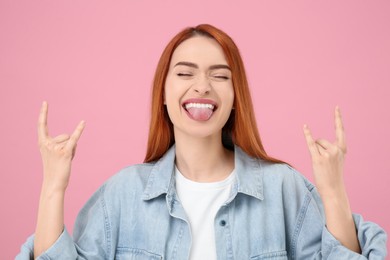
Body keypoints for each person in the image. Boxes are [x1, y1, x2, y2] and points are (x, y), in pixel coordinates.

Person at [17, 24, 386, 259]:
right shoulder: (123, 193)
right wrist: (53, 186)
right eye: (184, 73)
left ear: (235, 94)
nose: (202, 86)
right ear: (163, 93)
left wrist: (334, 191)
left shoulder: (283, 188)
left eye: (219, 76)